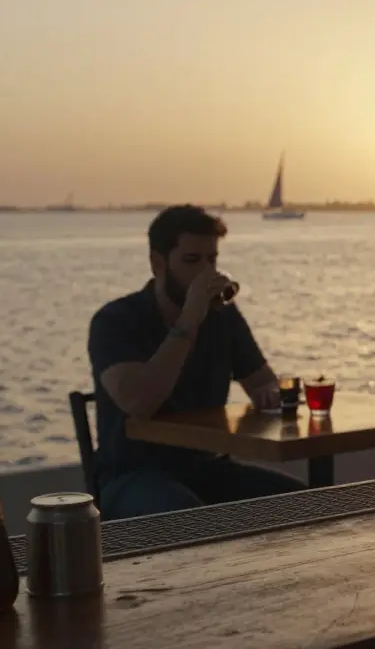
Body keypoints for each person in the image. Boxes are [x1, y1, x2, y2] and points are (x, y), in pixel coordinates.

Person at [87, 205, 307, 520]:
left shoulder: (222, 317)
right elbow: (139, 403)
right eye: (192, 261)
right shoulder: (116, 321)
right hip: (133, 475)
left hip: (210, 466)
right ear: (157, 263)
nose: (205, 273)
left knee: (306, 502)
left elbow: (261, 381)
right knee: (189, 517)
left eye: (212, 260)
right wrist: (188, 321)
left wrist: (268, 394)